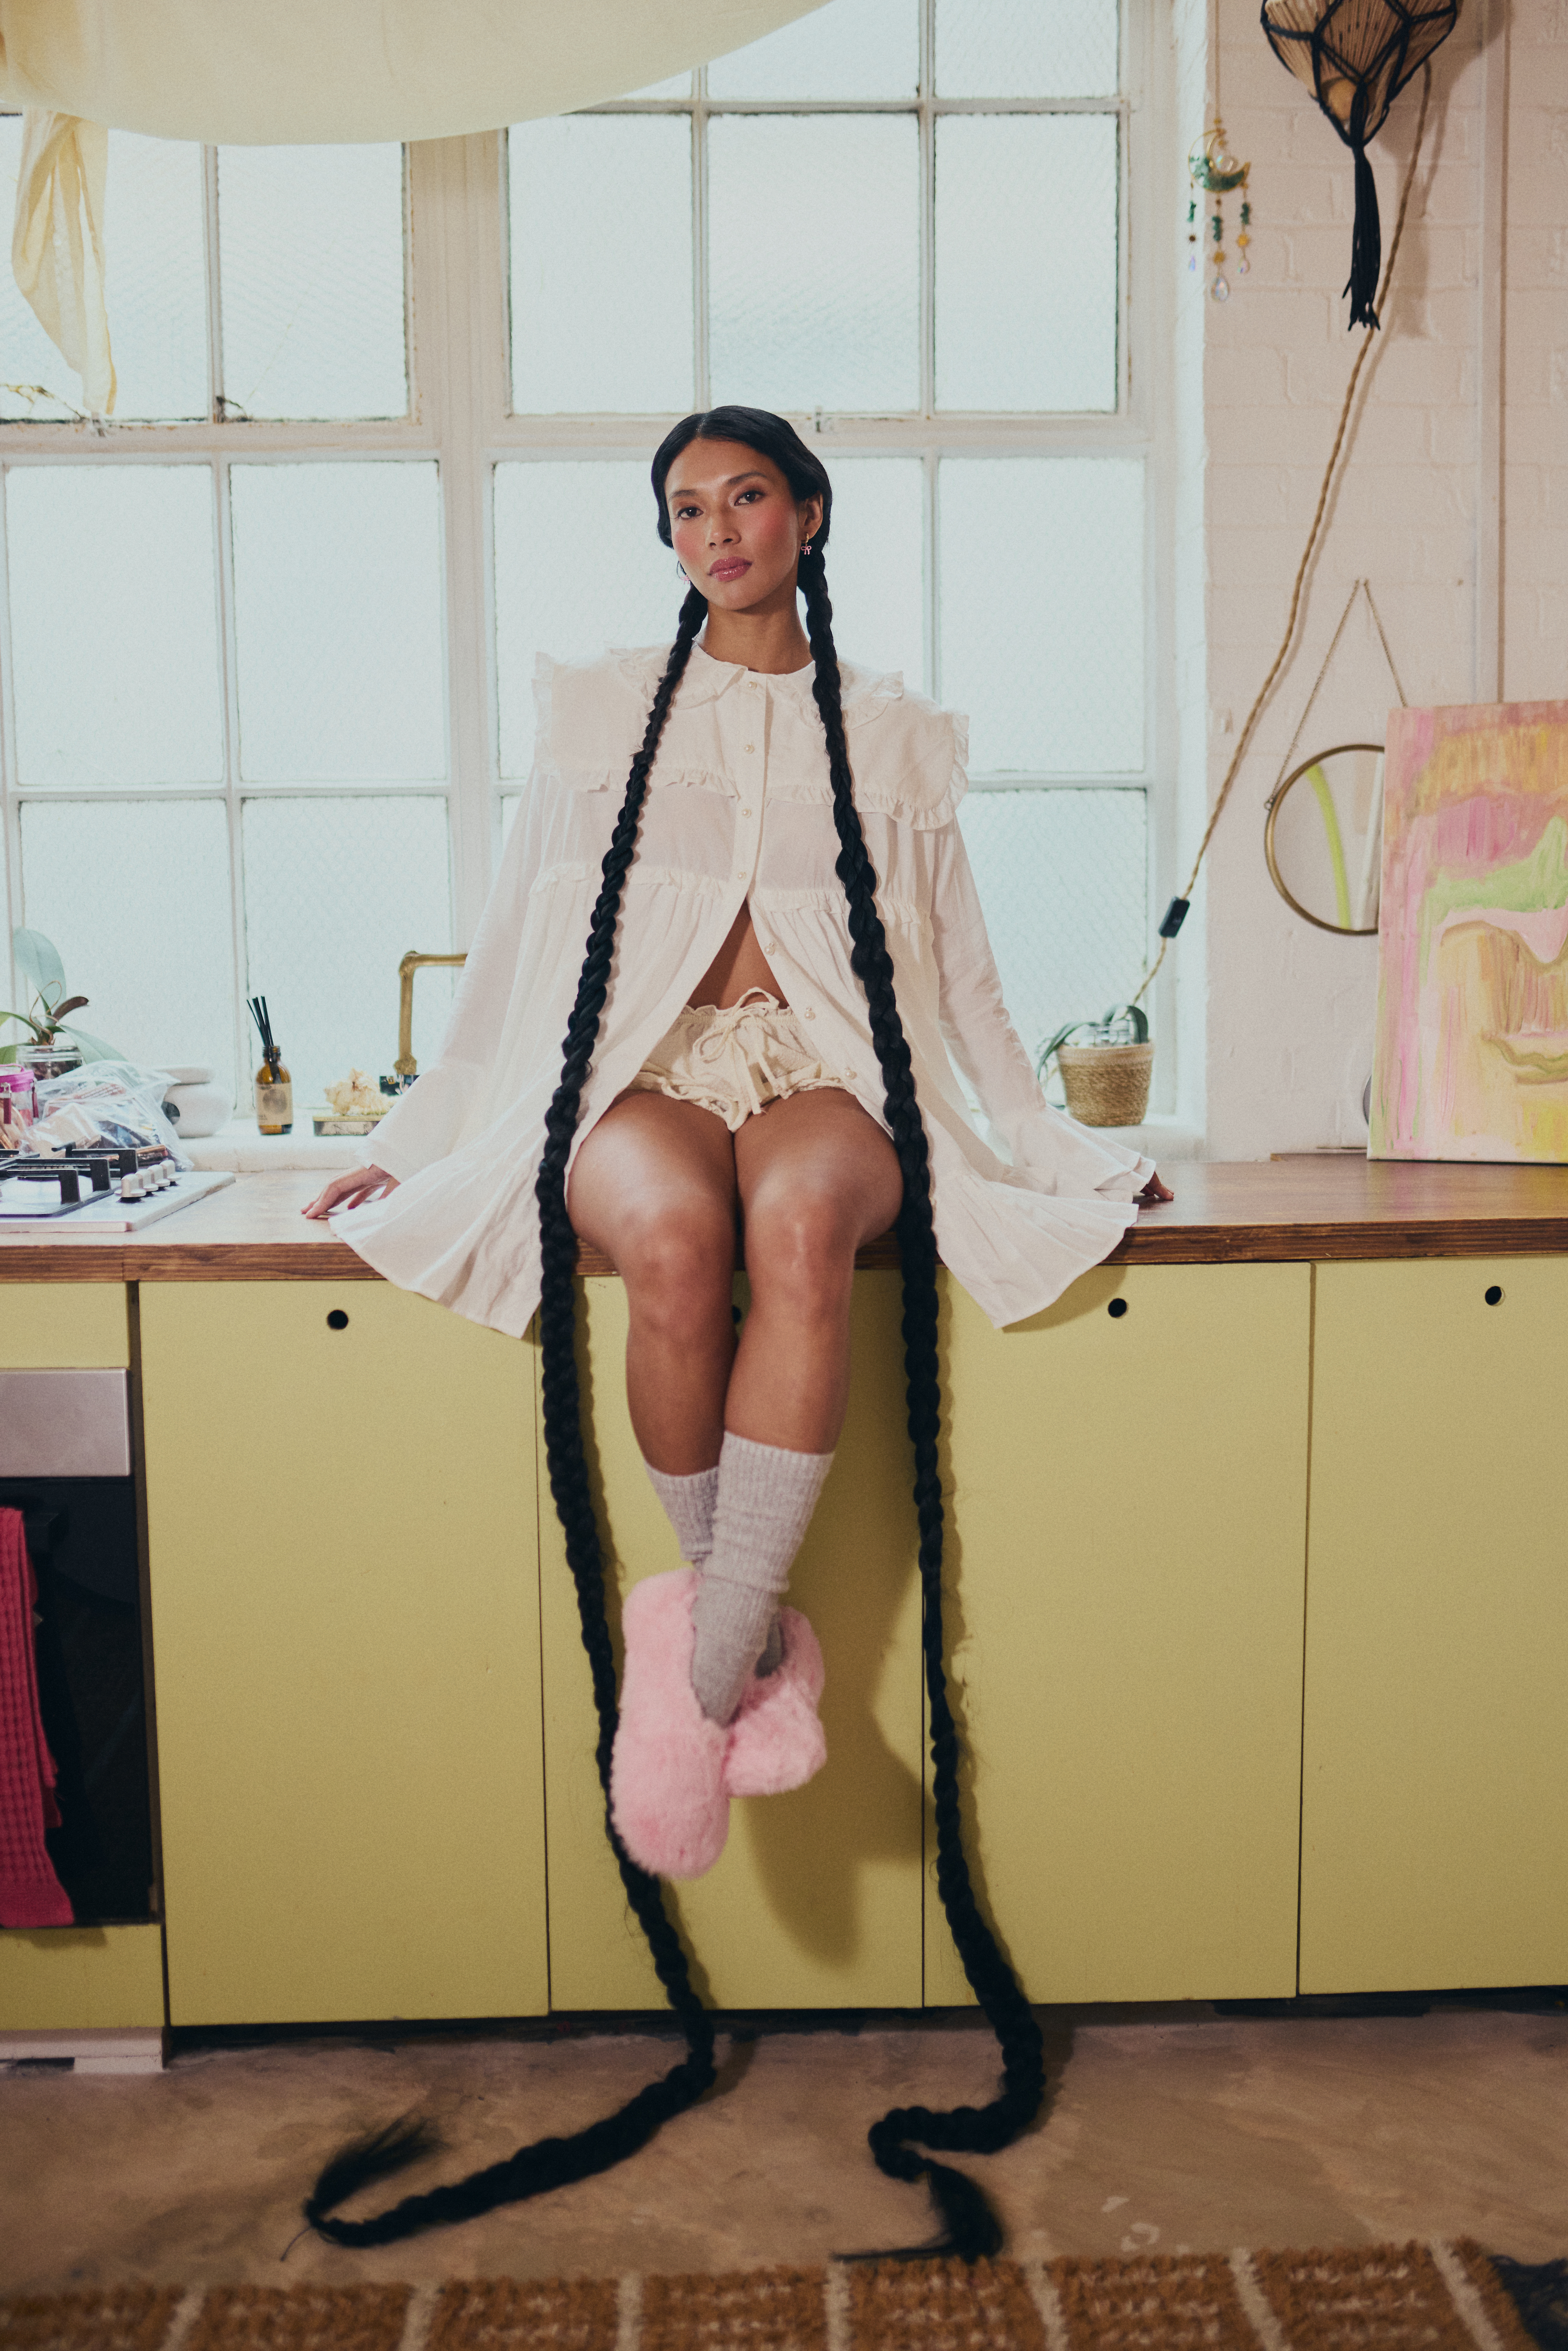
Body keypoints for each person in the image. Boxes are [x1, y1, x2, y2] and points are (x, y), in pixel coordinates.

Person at [300, 406, 1169, 2252]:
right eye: (686, 508)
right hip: (638, 1073)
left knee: (795, 1220)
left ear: (808, 515)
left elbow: (965, 982)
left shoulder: (895, 735)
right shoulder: (603, 711)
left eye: (745, 497)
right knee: (675, 1236)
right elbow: (515, 950)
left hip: (823, 1075)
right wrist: (415, 1142)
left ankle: (693, 1681)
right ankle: (733, 1640)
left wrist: (1063, 1155)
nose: (715, 530)